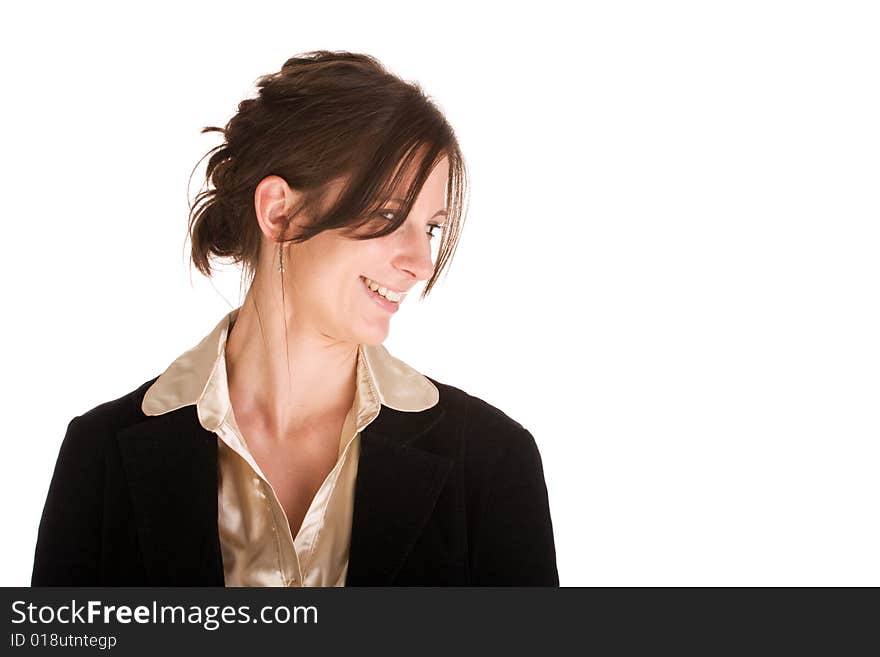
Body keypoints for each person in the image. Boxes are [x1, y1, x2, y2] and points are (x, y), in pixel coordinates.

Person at [31, 50, 559, 586]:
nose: (421, 263)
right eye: (388, 215)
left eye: (431, 227)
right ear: (279, 211)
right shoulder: (100, 456)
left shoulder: (493, 462)